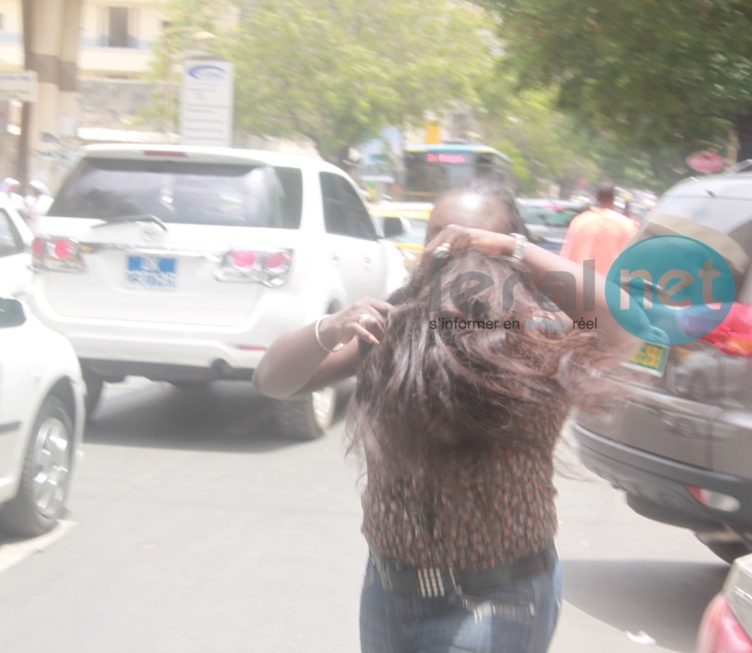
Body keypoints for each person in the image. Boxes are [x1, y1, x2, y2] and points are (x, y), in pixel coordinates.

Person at [253, 179, 639, 653]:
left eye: (470, 239)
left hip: (500, 597)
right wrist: (329, 328)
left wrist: (513, 249)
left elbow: (629, 325)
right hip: (390, 592)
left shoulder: (540, 334)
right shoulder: (394, 326)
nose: (449, 250)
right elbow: (272, 381)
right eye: (438, 235)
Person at [558, 182, 638, 276]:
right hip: (610, 284)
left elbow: (566, 255)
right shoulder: (626, 225)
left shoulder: (580, 222)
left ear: (597, 198)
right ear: (613, 199)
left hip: (581, 282)